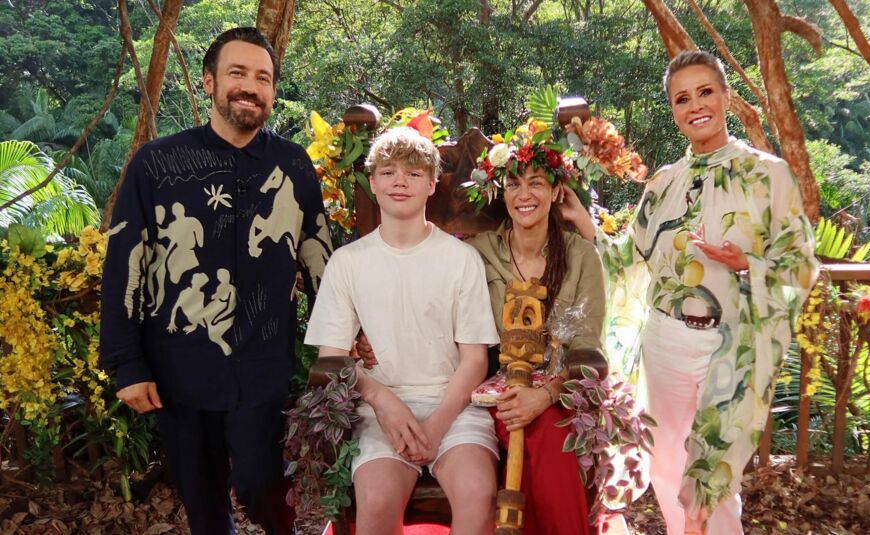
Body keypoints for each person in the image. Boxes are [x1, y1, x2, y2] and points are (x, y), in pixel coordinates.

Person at [560, 50, 819, 535]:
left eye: (705, 92)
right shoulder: (663, 184)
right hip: (665, 342)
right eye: (682, 98)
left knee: (713, 478)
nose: (695, 105)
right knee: (664, 466)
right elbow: (629, 256)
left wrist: (746, 264)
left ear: (725, 97)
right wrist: (585, 225)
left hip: (732, 343)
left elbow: (801, 267)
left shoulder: (769, 175)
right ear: (674, 110)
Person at [100, 27, 332, 535]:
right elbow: (125, 262)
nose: (251, 87)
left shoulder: (293, 165)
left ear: (273, 91)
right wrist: (125, 363)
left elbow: (318, 257)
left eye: (263, 78)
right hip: (178, 367)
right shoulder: (156, 163)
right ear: (209, 82)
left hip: (264, 364)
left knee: (264, 488)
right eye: (237, 73)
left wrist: (337, 341)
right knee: (203, 506)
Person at [304, 127, 500, 535]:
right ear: (373, 182)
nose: (400, 182)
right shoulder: (348, 262)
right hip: (379, 409)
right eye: (388, 172)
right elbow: (331, 359)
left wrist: (436, 425)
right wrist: (381, 399)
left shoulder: (461, 259)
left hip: (455, 405)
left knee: (478, 494)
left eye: (413, 173)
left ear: (431, 184)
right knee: (376, 502)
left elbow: (474, 360)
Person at [465, 120, 607, 534]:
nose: (524, 195)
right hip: (497, 388)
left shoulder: (581, 256)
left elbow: (588, 345)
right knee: (523, 430)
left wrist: (544, 395)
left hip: (561, 389)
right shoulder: (478, 253)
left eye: (537, 183)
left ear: (557, 190)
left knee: (549, 436)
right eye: (513, 184)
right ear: (501, 192)